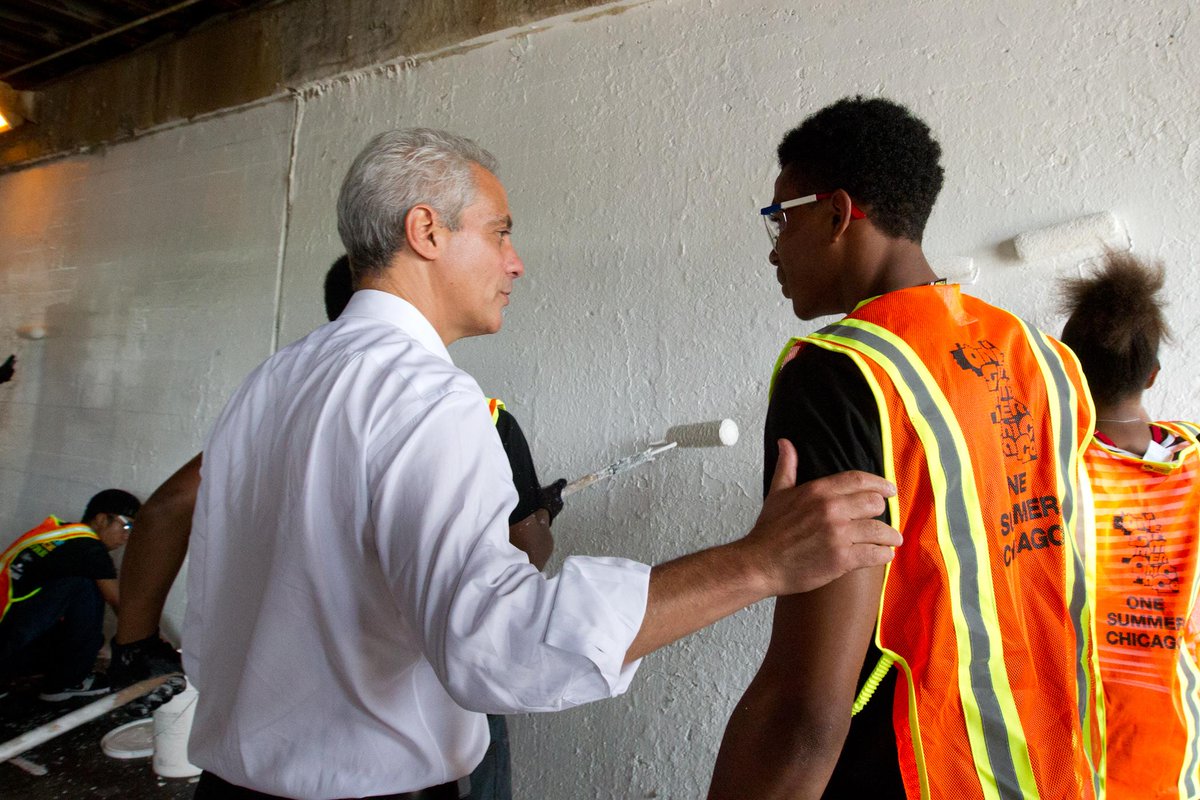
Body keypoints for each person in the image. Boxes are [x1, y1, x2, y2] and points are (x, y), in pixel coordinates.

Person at [182, 127, 901, 799]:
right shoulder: (427, 397)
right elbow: (498, 645)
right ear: (427, 231)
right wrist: (758, 563)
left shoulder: (268, 384)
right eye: (500, 233)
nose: (515, 262)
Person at [709, 97, 1100, 800]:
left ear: (836, 212)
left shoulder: (840, 371)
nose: (774, 245)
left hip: (915, 769)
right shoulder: (1046, 361)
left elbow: (808, 707)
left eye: (781, 216)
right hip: (1054, 768)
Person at [111, 256, 560, 798]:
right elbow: (511, 573)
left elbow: (163, 510)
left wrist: (134, 640)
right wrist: (539, 521)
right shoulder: (464, 412)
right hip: (390, 755)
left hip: (249, 760)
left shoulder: (272, 403)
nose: (511, 264)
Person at [1059, 252, 1200, 800]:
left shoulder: (1050, 469)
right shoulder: (1193, 456)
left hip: (1067, 754)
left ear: (1065, 370)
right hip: (1176, 751)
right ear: (1154, 375)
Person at [0, 488, 140, 701]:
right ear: (102, 519)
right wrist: (150, 646)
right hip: (7, 643)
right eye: (126, 525)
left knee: (81, 588)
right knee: (85, 586)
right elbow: (119, 603)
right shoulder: (89, 549)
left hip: (9, 634)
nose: (126, 536)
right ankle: (66, 682)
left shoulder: (62, 534)